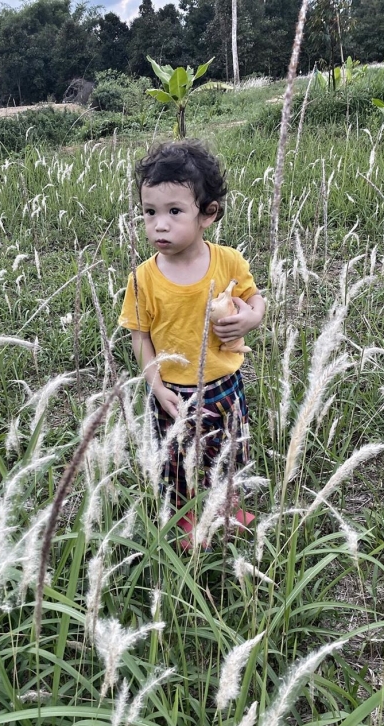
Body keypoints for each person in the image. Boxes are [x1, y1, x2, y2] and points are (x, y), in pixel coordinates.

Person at [118, 140, 265, 550]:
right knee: (177, 460)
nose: (158, 225)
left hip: (224, 384)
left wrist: (250, 318)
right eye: (149, 213)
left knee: (230, 452)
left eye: (174, 212)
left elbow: (255, 300)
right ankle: (185, 516)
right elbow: (140, 336)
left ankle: (228, 505)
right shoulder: (143, 278)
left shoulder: (228, 262)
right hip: (174, 393)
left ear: (208, 215)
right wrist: (156, 385)